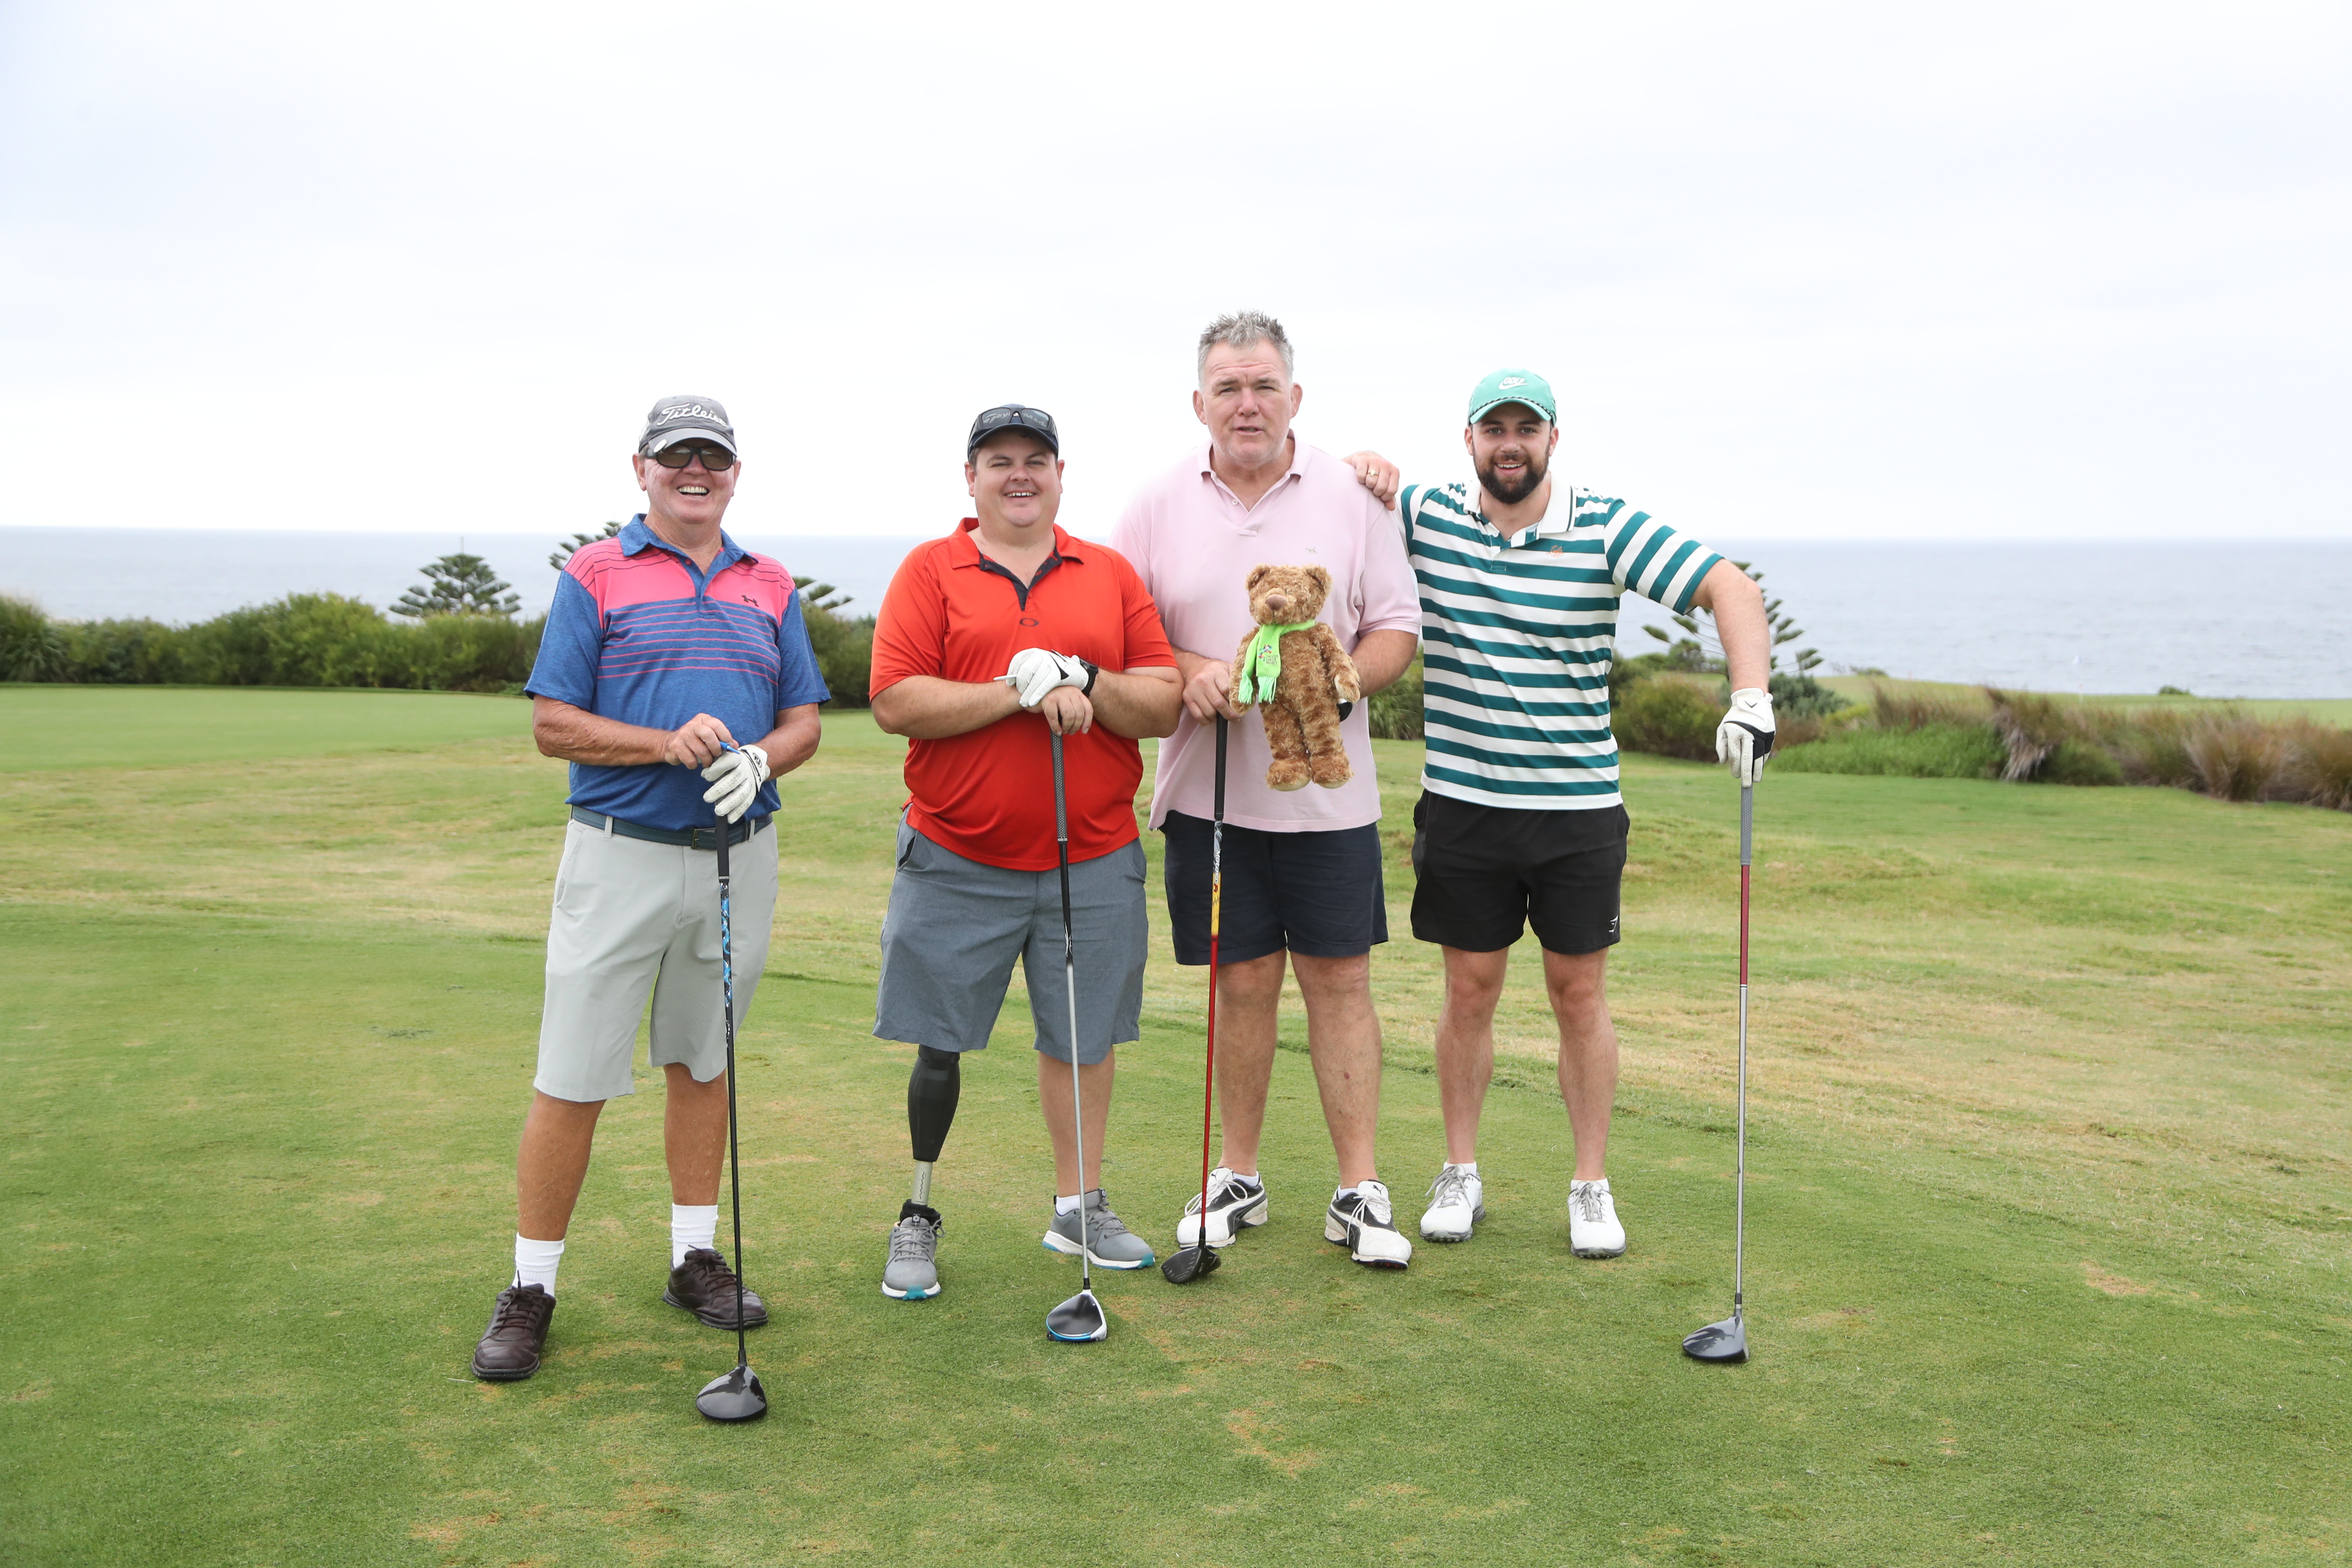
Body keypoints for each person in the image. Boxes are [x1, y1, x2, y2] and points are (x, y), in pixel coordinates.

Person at [471, 395, 830, 1382]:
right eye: (678, 457)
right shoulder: (595, 573)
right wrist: (663, 745)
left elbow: (805, 719)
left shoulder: (769, 583)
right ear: (643, 469)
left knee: (704, 1062)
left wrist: (762, 760)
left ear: (734, 471)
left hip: (737, 855)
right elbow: (553, 723)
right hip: (620, 852)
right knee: (574, 1073)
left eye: (712, 456)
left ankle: (692, 1258)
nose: (695, 471)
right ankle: (532, 1287)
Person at [1378, 368, 1772, 1256]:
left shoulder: (1604, 525)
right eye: (1494, 429)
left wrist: (1750, 698)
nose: (1509, 443)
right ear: (1469, 440)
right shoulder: (1427, 514)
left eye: (1527, 428)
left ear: (1554, 439)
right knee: (1468, 992)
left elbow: (1729, 588)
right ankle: (1460, 1172)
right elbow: (1333, 500)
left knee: (1578, 993)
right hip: (1466, 805)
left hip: (1577, 811)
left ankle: (1590, 1185)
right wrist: (1362, 465)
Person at [1111, 312, 1424, 1270]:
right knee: (1241, 986)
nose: (1246, 404)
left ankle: (1359, 1189)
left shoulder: (1351, 491)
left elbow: (1396, 628)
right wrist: (1200, 667)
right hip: (1210, 798)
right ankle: (1237, 1174)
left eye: (1264, 386)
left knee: (1340, 983)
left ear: (1295, 396)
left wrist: (1331, 686)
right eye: (1228, 388)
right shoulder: (1158, 501)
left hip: (1331, 801)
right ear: (1198, 402)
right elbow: (1123, 627)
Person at [867, 404, 1181, 1302]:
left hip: (1092, 857)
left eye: (1034, 461)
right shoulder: (932, 571)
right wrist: (1017, 687)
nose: (1019, 475)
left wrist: (1083, 677)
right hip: (956, 855)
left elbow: (1160, 703)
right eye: (999, 460)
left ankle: (1079, 1203)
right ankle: (919, 1213)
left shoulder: (1109, 574)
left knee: (1084, 1041)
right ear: (971, 476)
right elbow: (895, 699)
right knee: (940, 1042)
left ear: (1059, 472)